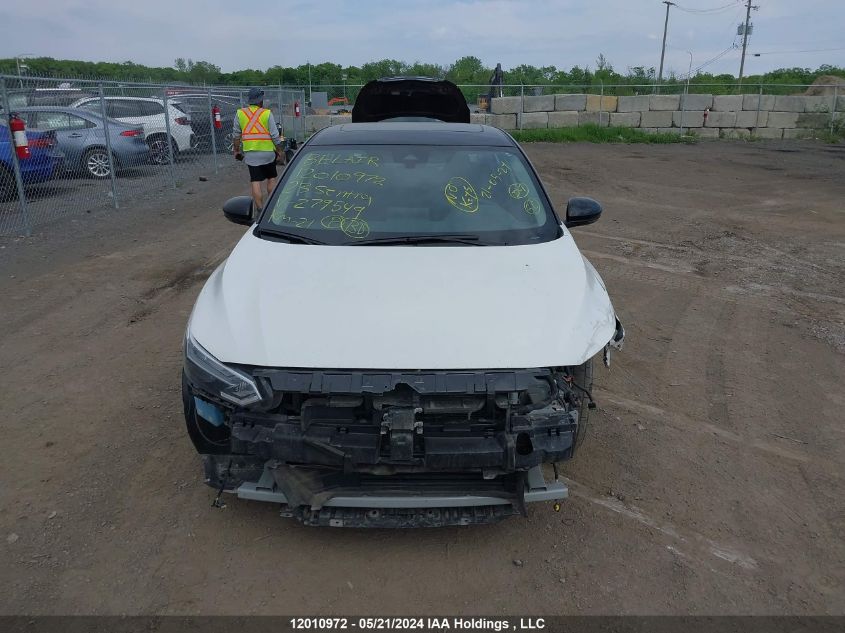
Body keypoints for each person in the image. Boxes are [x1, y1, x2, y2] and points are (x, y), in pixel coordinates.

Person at [233, 88, 285, 213]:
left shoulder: (240, 113)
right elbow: (274, 136)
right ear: (260, 100)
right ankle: (272, 207)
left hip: (251, 155)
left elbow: (236, 135)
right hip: (268, 153)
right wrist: (280, 151)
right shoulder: (267, 113)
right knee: (271, 178)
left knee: (255, 181)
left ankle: (260, 209)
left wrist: (236, 150)